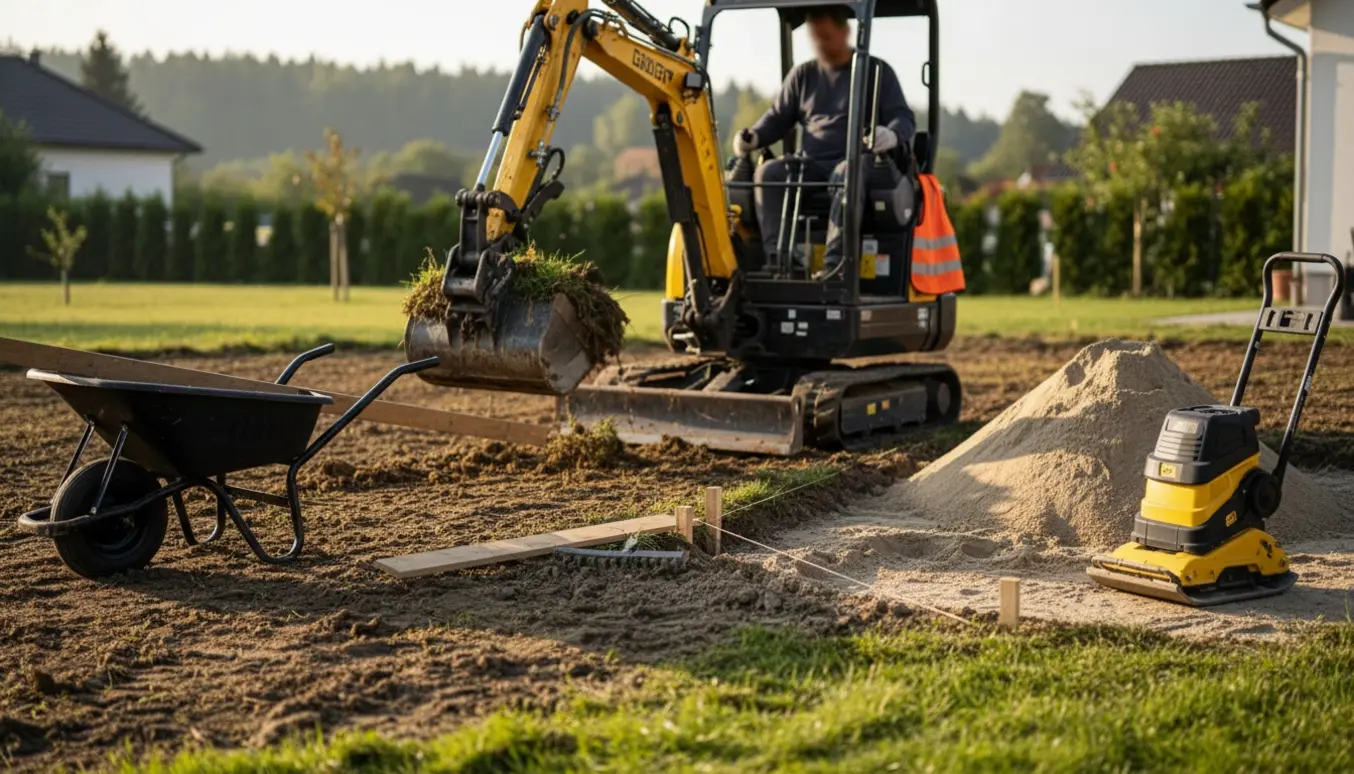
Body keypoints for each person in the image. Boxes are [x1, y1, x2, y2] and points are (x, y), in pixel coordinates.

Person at [733, 4, 915, 277]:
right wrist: (754, 136)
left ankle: (835, 266)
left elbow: (903, 118)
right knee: (768, 173)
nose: (819, 45)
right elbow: (778, 117)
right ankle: (779, 261)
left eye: (825, 37)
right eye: (815, 38)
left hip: (854, 162)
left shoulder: (876, 71)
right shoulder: (803, 76)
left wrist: (889, 135)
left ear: (845, 31)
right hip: (810, 164)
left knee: (848, 173)